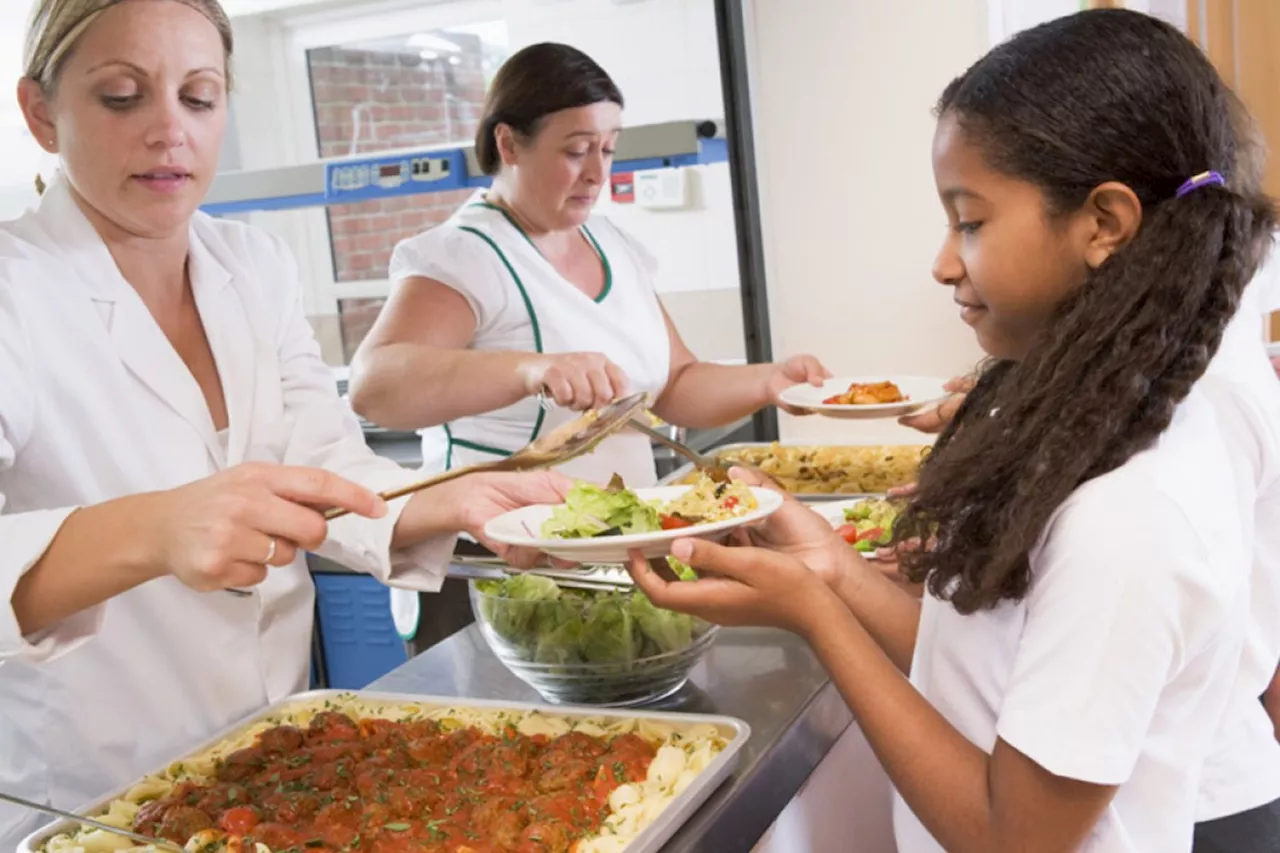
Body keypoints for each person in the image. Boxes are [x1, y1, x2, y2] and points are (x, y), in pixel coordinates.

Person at [626, 10, 1274, 851]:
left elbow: (1015, 834)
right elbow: (981, 661)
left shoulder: (1132, 510)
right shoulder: (1089, 428)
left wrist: (815, 615)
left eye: (970, 220)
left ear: (1104, 225)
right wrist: (827, 568)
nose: (942, 262)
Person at [0, 1, 569, 847]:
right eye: (122, 96)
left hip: (271, 757)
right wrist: (150, 528)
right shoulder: (15, 291)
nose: (169, 131)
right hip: (87, 791)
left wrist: (452, 498)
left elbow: (323, 460)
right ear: (42, 113)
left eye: (198, 97)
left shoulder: (252, 266)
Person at [346, 42, 828, 647]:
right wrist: (530, 370)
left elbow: (675, 386)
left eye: (607, 148)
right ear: (508, 144)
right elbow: (376, 386)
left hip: (607, 567)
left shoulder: (612, 246)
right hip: (498, 577)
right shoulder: (465, 255)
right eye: (576, 151)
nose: (599, 172)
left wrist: (769, 381)